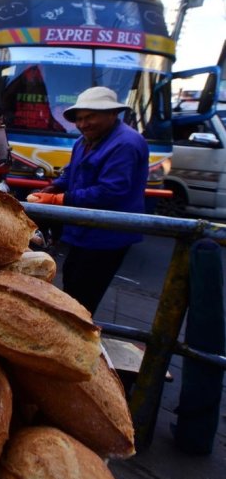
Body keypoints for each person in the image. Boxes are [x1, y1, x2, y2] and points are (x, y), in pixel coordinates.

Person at [26, 86, 149, 316]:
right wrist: (55, 185)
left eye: (90, 116)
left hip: (107, 235)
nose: (83, 124)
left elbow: (110, 192)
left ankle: (76, 334)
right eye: (80, 119)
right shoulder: (83, 141)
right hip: (82, 230)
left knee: (84, 295)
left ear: (112, 114)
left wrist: (57, 199)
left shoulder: (126, 144)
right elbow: (72, 172)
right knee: (71, 279)